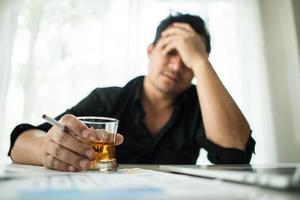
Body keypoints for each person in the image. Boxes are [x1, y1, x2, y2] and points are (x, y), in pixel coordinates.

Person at [8, 13, 255, 172]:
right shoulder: (108, 100)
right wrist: (46, 148)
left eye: (189, 58)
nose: (178, 65)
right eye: (170, 51)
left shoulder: (202, 106)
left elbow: (235, 156)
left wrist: (201, 62)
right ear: (150, 50)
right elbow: (20, 142)